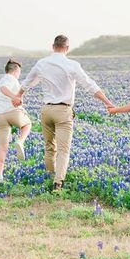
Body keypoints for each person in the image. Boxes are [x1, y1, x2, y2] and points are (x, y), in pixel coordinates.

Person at [15, 35, 114, 191]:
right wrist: (107, 102)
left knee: (49, 146)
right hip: (63, 111)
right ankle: (58, 182)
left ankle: (50, 174)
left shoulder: (42, 63)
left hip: (46, 110)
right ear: (67, 48)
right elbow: (90, 86)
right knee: (63, 150)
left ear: (53, 46)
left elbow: (27, 82)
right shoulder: (72, 65)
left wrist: (18, 96)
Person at [0, 59, 32, 183]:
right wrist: (14, 97)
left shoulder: (2, 79)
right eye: (19, 72)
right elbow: (4, 89)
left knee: (2, 147)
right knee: (27, 124)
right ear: (15, 70)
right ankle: (20, 141)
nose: (19, 74)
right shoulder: (10, 78)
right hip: (11, 112)